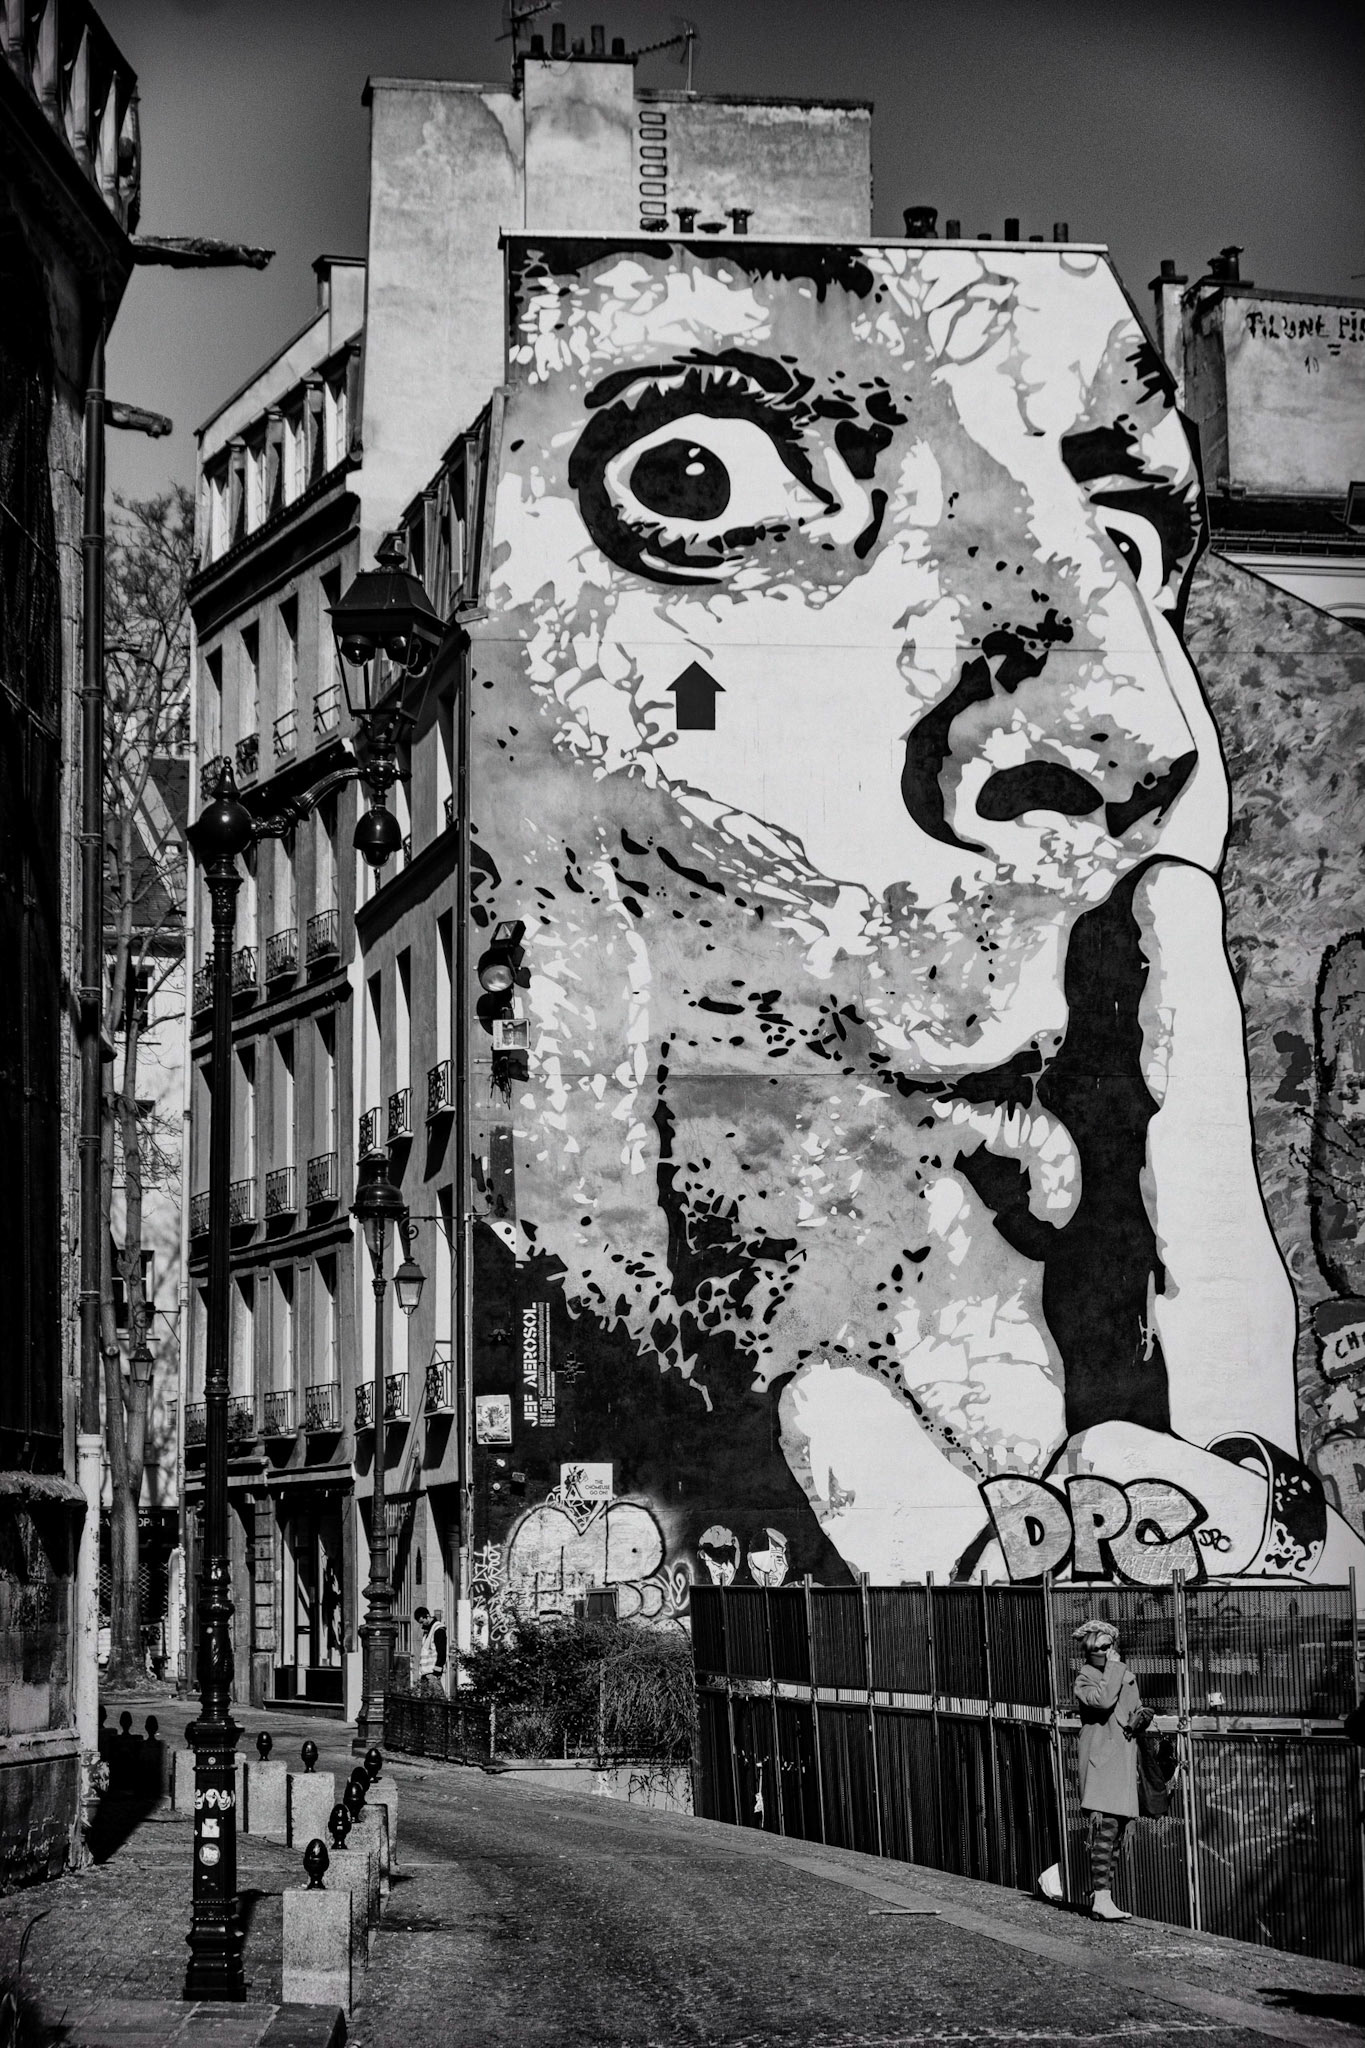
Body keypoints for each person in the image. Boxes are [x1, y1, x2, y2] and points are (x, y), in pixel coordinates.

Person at [1073, 1617, 1144, 1920]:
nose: (1103, 1652)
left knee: (1116, 1832)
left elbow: (1132, 1706)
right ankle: (1101, 1898)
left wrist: (1142, 1716)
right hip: (1101, 1758)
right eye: (1096, 1649)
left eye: (1107, 1646)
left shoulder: (1125, 1674)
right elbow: (1101, 1703)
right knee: (1105, 1828)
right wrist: (1113, 1669)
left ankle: (1103, 1896)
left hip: (1123, 1757)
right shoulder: (1085, 1678)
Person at [413, 1605, 447, 1698]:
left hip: (432, 1672)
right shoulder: (429, 1630)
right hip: (426, 1672)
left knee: (438, 1699)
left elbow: (442, 1652)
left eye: (422, 1621)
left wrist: (437, 1672)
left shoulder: (438, 1630)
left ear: (427, 1616)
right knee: (427, 1701)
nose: (422, 1624)